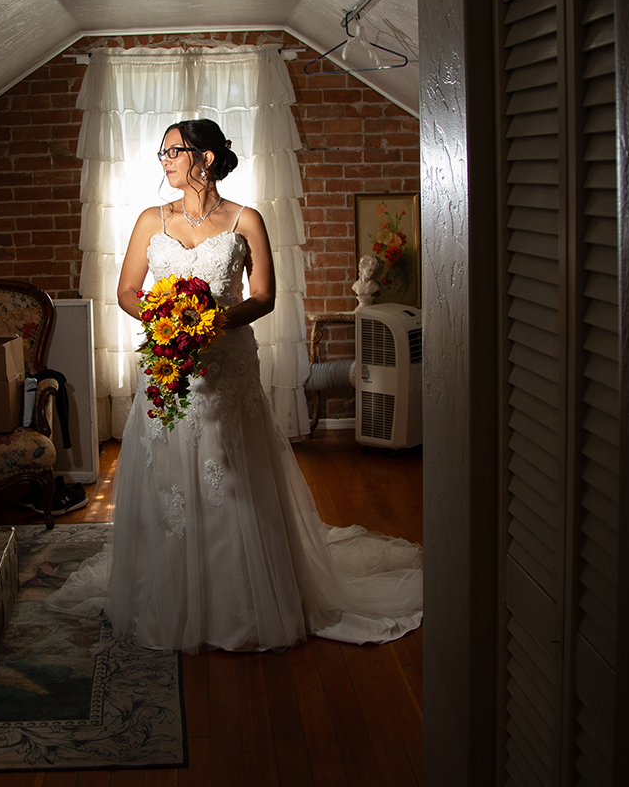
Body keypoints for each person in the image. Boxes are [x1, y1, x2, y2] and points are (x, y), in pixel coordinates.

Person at [46, 118, 422, 652]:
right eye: (161, 153)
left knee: (232, 472)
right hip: (170, 364)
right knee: (168, 473)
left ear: (204, 158)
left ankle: (241, 601)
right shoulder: (151, 219)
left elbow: (264, 296)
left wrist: (209, 322)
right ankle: (169, 593)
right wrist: (166, 319)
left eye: (173, 151)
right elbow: (127, 291)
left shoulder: (247, 220)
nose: (164, 161)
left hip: (227, 368)